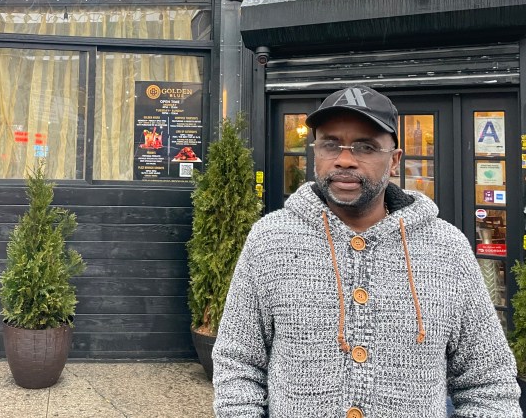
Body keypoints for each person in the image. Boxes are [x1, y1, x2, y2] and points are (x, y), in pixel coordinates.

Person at [212, 85, 521, 417]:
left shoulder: (448, 249)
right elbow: (238, 364)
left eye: (366, 147)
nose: (345, 160)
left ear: (394, 161)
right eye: (330, 144)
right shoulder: (270, 240)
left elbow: (488, 383)